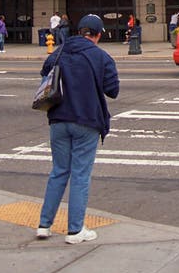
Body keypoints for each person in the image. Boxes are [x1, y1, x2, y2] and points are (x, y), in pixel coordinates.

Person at [36, 13, 119, 244]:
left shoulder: (59, 51)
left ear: (80, 31)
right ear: (98, 34)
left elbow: (44, 77)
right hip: (86, 120)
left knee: (59, 171)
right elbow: (113, 90)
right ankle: (75, 230)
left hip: (58, 119)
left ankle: (44, 224)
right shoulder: (101, 57)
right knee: (80, 174)